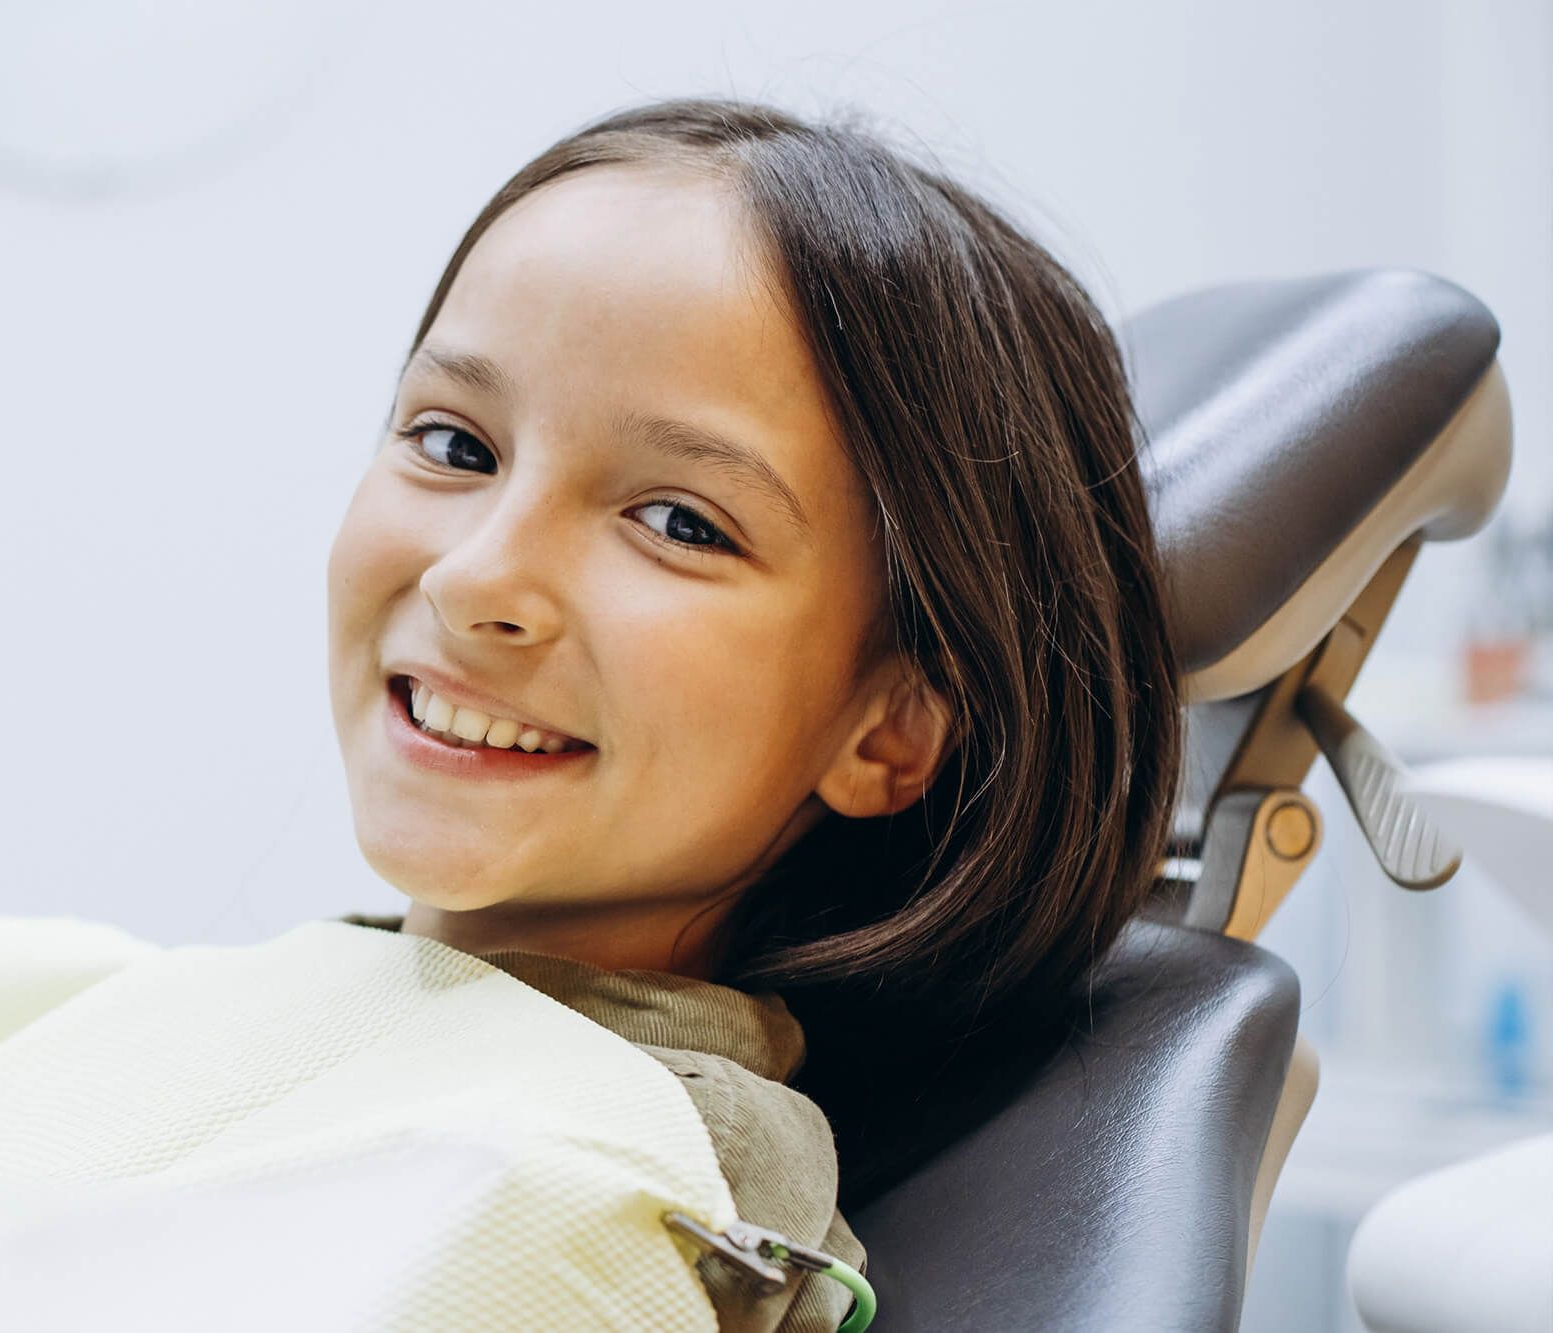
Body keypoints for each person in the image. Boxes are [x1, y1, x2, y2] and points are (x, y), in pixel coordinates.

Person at [323, 94, 1182, 1331]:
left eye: (677, 522)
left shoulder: (622, 1197)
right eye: (455, 444)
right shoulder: (286, 1008)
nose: (473, 580)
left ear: (885, 730)